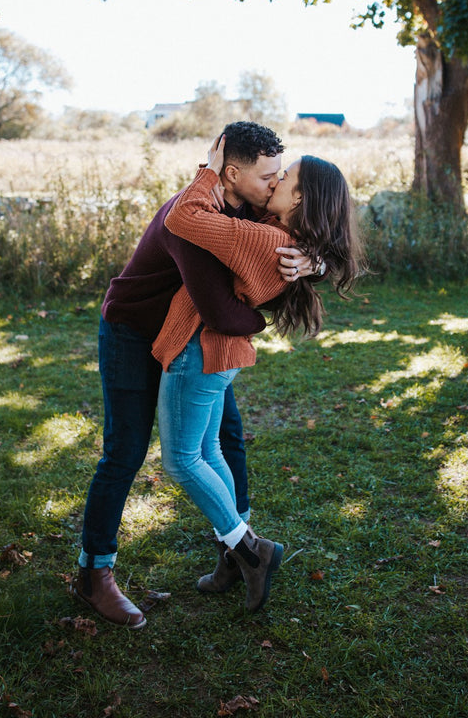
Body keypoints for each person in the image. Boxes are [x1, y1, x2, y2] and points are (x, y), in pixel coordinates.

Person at [73, 122, 313, 629]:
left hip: (191, 342)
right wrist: (256, 324)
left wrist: (314, 261)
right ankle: (94, 575)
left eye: (278, 175)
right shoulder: (191, 220)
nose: (275, 184)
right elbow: (224, 313)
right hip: (134, 333)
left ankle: (235, 551)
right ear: (231, 173)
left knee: (226, 437)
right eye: (268, 175)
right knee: (126, 450)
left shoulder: (248, 207)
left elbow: (309, 223)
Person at [153, 134, 364, 613]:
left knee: (182, 461)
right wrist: (319, 258)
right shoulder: (283, 237)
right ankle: (234, 555)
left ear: (300, 198)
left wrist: (210, 169)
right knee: (207, 450)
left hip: (198, 351)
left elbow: (183, 217)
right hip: (220, 355)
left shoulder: (262, 237)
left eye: (283, 179)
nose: (273, 183)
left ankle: (250, 549)